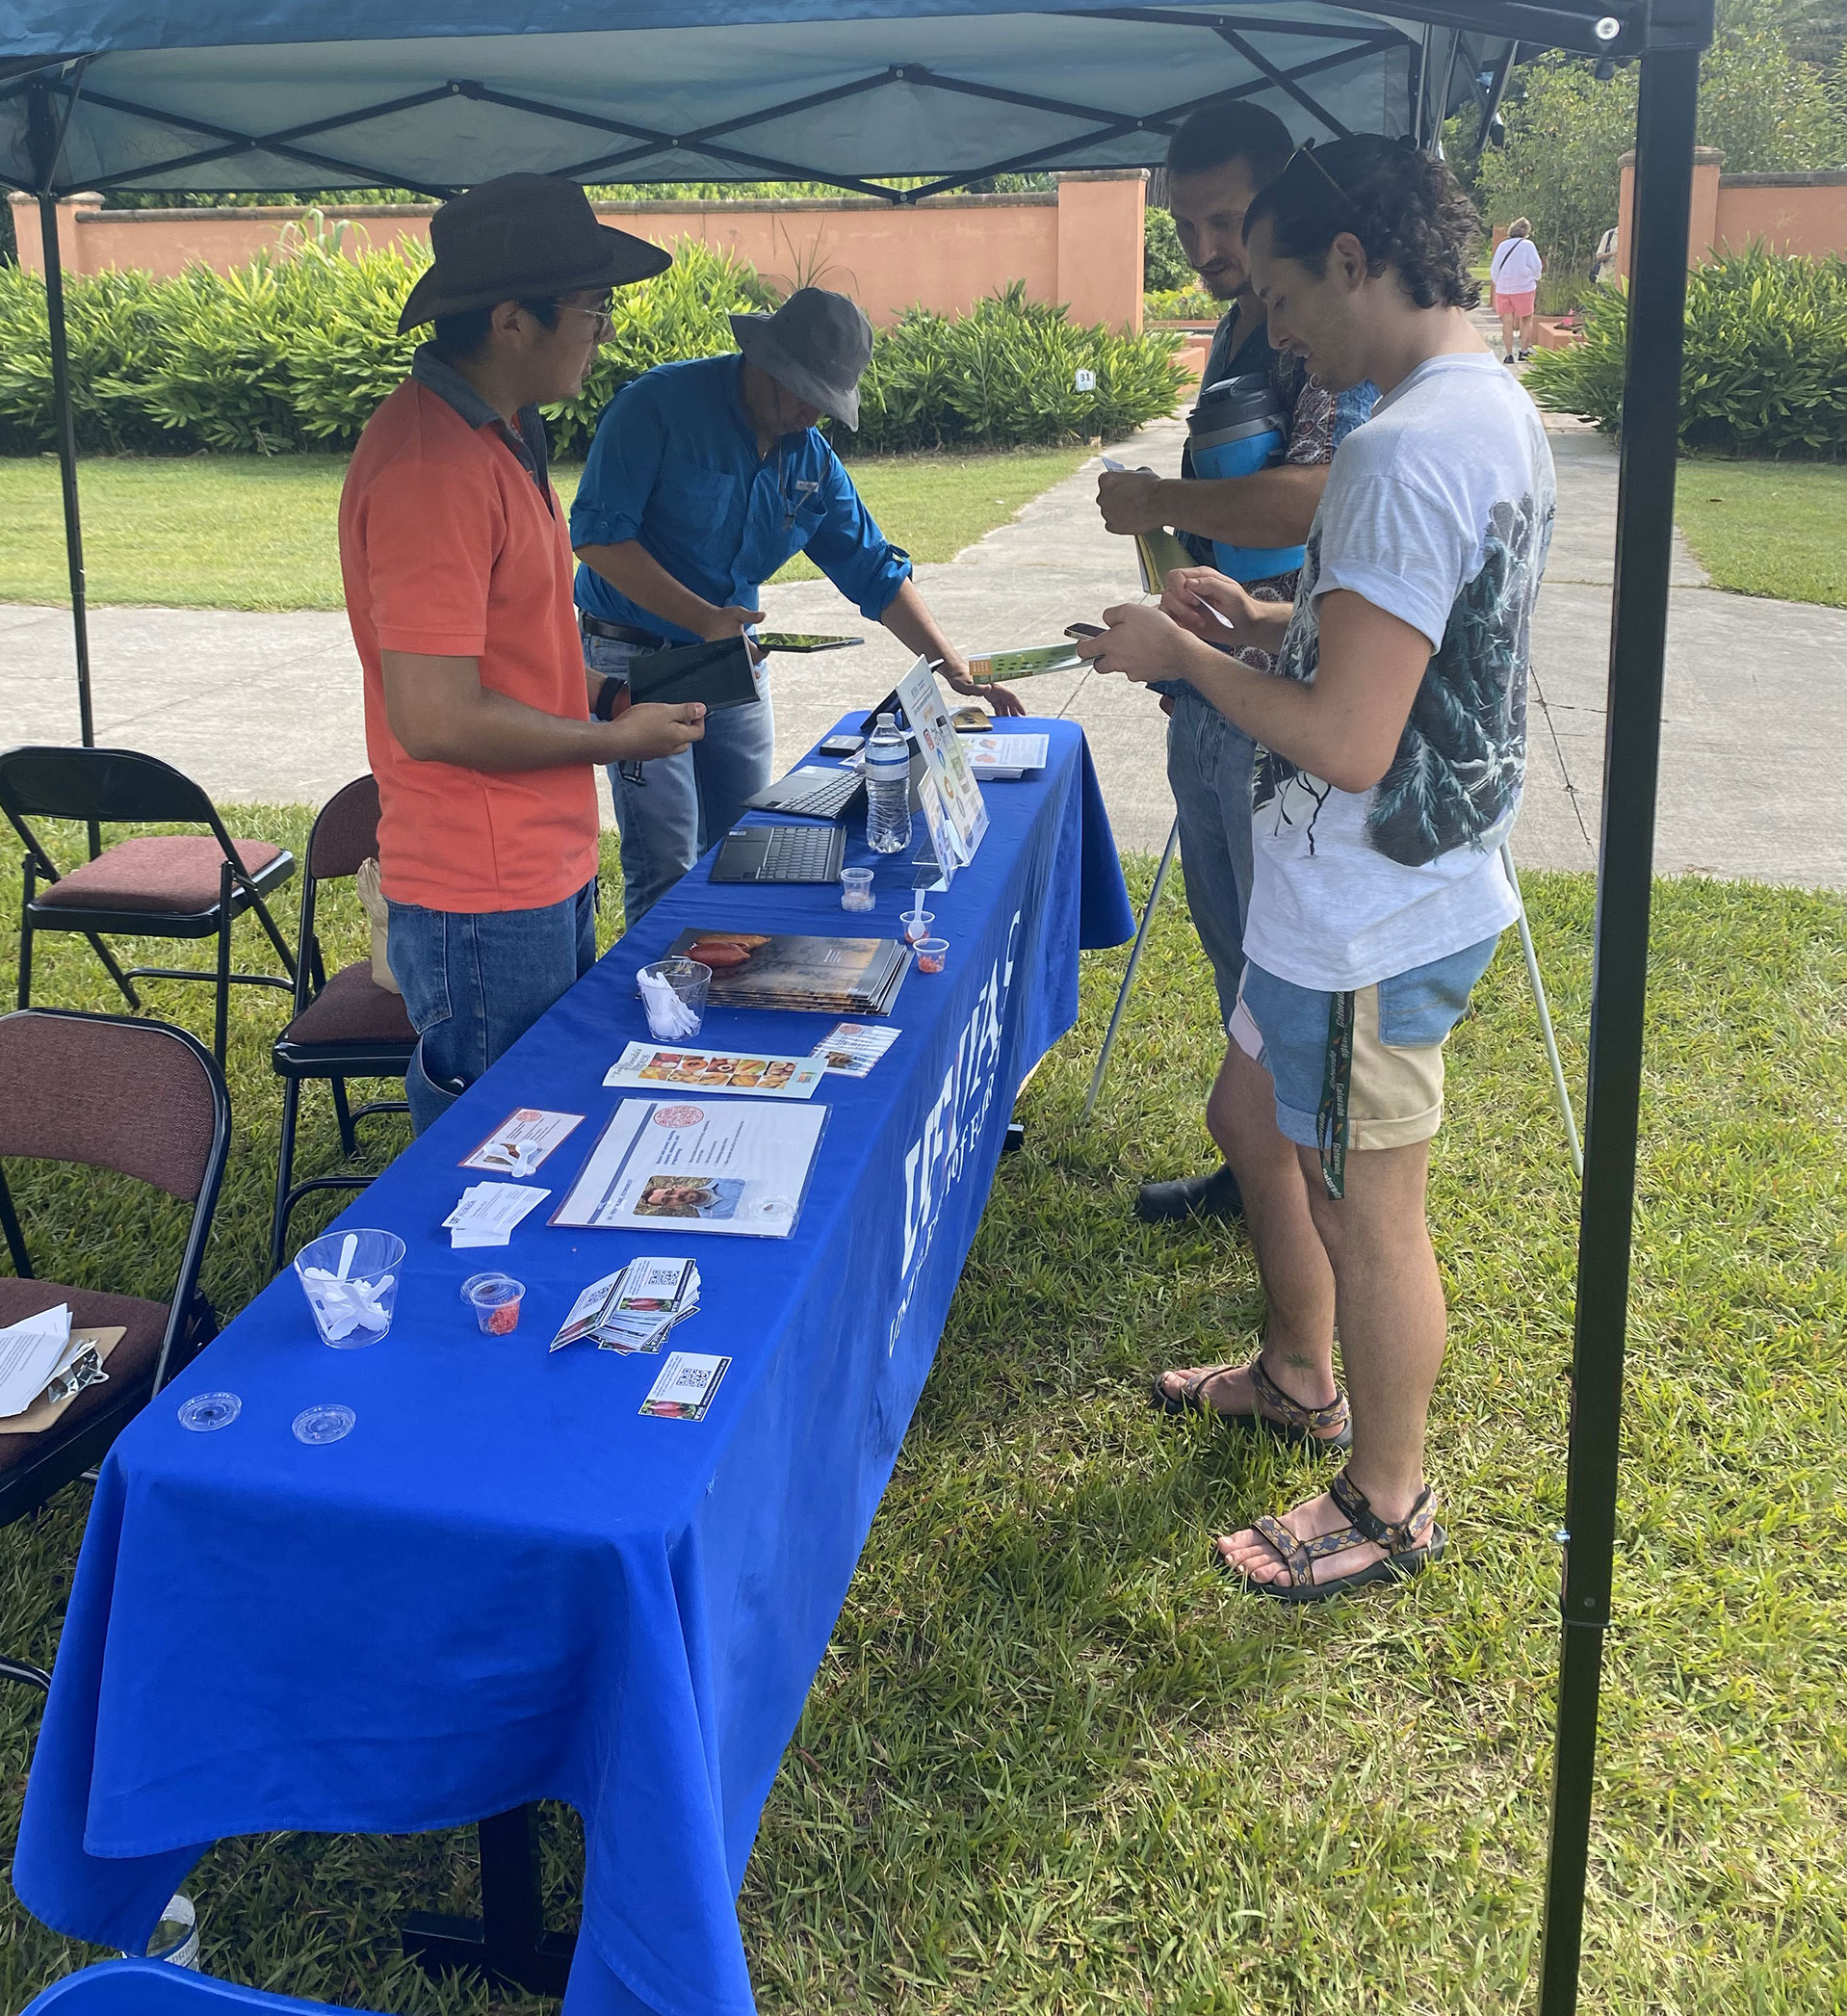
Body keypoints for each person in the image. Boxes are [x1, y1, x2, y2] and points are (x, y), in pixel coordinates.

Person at [1080, 134, 1554, 1601]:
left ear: (1355, 261)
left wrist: (1181, 656)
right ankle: (1299, 1368)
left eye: (1284, 289)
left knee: (1366, 1206)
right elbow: (1392, 644)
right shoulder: (1462, 413)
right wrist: (1262, 616)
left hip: (1371, 906)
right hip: (1333, 893)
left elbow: (1352, 738)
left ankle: (1386, 1493)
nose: (1272, 326)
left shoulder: (1410, 446)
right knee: (1247, 1110)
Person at [339, 173, 710, 1132]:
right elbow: (436, 716)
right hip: (481, 889)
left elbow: (496, 645)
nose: (605, 333)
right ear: (513, 320)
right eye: (593, 312)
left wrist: (591, 690)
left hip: (535, 861)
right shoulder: (433, 466)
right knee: (500, 1145)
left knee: (545, 1120)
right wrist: (618, 747)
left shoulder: (500, 433)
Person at [1096, 102, 1374, 1226]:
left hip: (1294, 684)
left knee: (1286, 958)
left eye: (1226, 221)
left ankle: (1309, 1202)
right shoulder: (1235, 329)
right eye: (1186, 228)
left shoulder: (1326, 328)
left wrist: (1160, 502)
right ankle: (1255, 1163)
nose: (1207, 251)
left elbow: (1325, 491)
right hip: (1217, 667)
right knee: (1234, 951)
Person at [572, 284, 1023, 927]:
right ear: (764, 358)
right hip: (636, 659)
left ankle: (732, 981)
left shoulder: (810, 459)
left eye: (827, 400)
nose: (814, 413)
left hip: (734, 662)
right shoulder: (657, 408)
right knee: (668, 859)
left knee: (752, 837)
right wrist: (701, 617)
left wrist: (952, 665)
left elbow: (873, 569)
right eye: (804, 391)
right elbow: (596, 535)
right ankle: (660, 1001)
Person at [1491, 216, 1543, 363]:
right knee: (1526, 320)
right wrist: (1535, 278)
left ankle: (1508, 354)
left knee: (1507, 321)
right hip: (1523, 287)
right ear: (1526, 231)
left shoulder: (1502, 245)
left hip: (1504, 288)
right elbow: (1536, 266)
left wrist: (1499, 282)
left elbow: (1495, 268)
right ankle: (1524, 351)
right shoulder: (1528, 245)